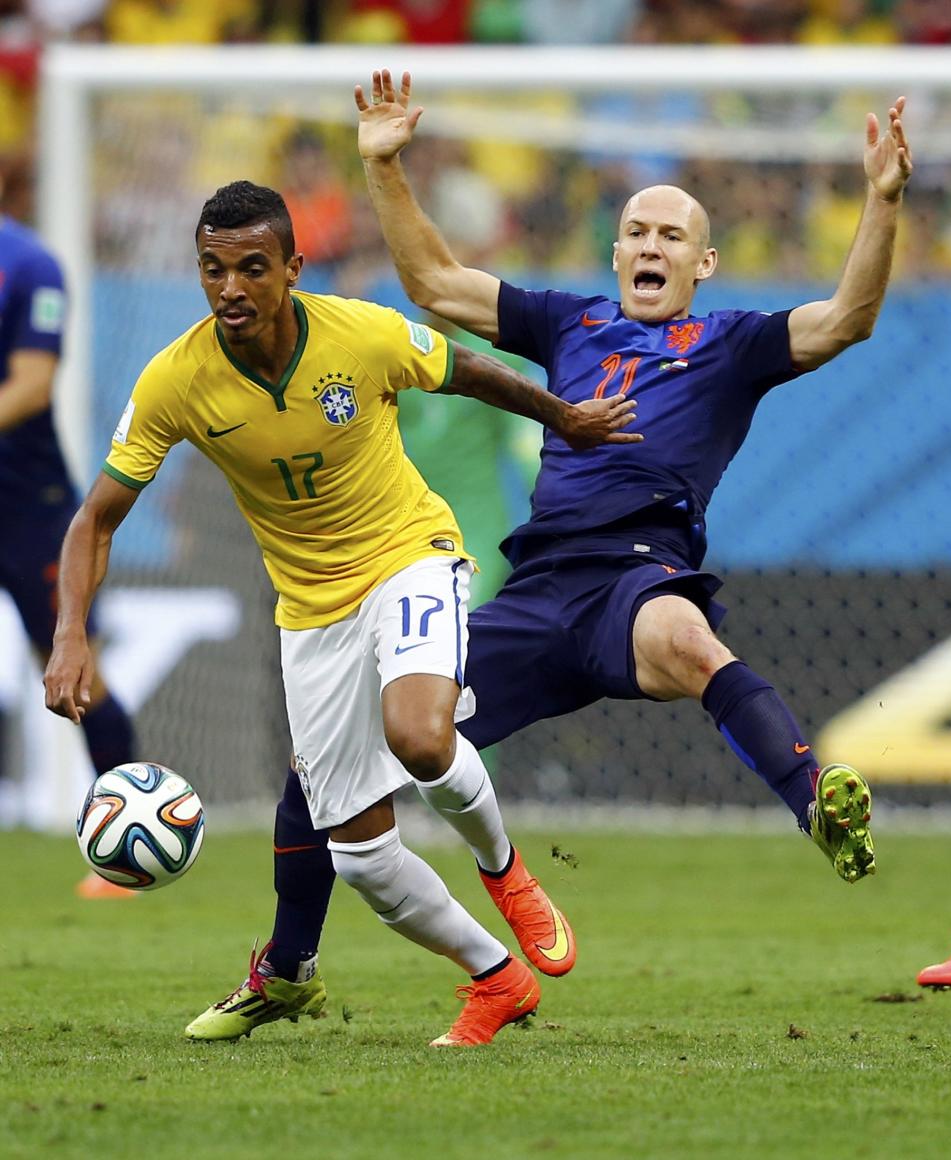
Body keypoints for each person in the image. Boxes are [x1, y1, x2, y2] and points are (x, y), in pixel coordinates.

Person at [226, 72, 913, 1019]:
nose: (650, 245)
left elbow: (848, 320)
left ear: (704, 263)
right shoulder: (568, 322)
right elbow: (434, 284)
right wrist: (384, 167)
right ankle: (289, 969)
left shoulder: (733, 342)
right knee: (339, 762)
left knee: (687, 640)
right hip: (538, 592)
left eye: (672, 235)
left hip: (637, 578)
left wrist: (881, 203)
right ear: (617, 246)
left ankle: (818, 807)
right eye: (637, 229)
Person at [43, 180, 641, 1047]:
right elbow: (95, 518)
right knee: (361, 856)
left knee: (422, 735)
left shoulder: (357, 333)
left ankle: (505, 873)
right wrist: (69, 635)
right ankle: (496, 978)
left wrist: (563, 417)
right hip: (310, 612)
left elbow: (465, 367)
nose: (231, 289)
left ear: (292, 267)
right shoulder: (175, 380)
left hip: (410, 556)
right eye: (214, 270)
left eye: (253, 268)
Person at [0, 206, 137, 897]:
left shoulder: (28, 265)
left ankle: (127, 850)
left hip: (24, 505)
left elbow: (31, 384)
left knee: (75, 676)